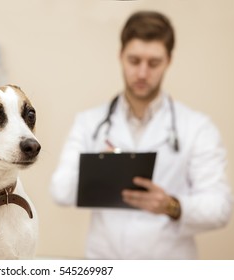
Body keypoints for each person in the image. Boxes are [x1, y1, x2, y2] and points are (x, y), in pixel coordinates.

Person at [50, 10, 232, 259]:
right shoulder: (89, 123)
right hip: (105, 262)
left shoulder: (197, 127)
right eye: (134, 61)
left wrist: (171, 205)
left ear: (168, 60)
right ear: (120, 56)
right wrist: (98, 169)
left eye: (154, 63)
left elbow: (220, 208)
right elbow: (60, 192)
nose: (143, 73)